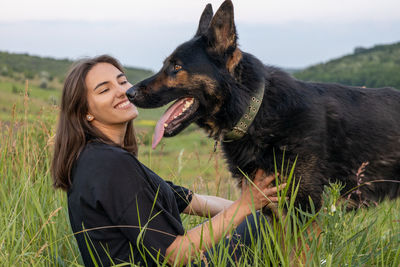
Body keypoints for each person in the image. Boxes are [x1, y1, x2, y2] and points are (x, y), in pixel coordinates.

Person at [51, 55, 286, 266]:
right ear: (85, 112)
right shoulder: (110, 165)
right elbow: (175, 254)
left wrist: (264, 205)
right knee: (263, 226)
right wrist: (245, 206)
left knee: (265, 218)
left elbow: (196, 201)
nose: (122, 91)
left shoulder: (98, 158)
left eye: (122, 82)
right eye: (104, 90)